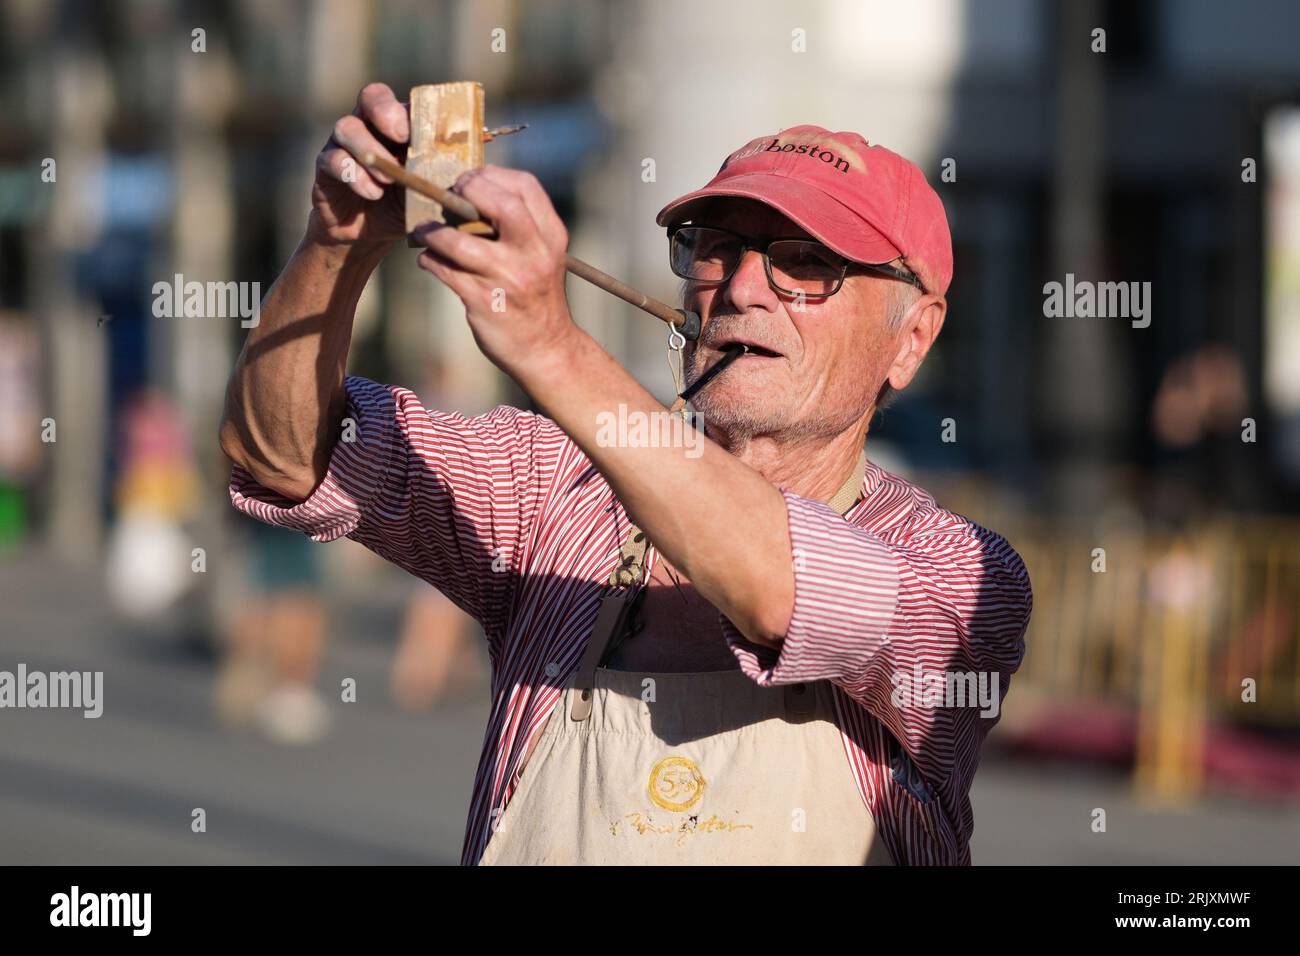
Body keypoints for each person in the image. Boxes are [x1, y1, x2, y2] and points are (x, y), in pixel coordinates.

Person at [219, 83, 1032, 865]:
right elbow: (285, 457)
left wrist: (549, 345)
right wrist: (337, 243)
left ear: (912, 339)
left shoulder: (962, 576)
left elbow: (779, 585)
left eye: (806, 262)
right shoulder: (556, 490)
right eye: (717, 248)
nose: (742, 287)